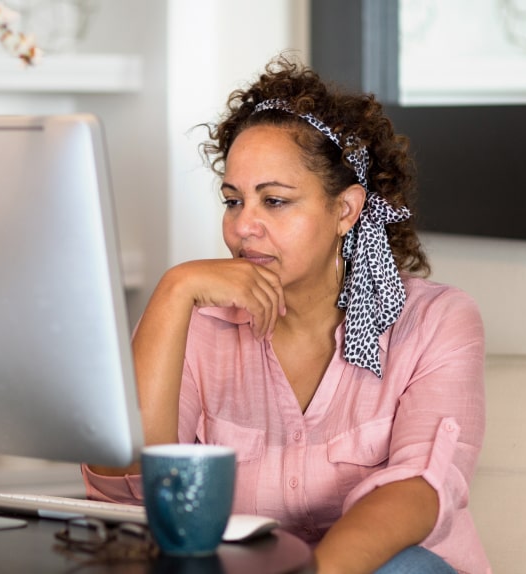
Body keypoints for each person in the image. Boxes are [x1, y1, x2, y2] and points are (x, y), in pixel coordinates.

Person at [85, 55, 489, 574]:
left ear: (345, 210)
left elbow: (418, 490)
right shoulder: (191, 321)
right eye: (233, 201)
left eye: (274, 201)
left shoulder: (435, 321)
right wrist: (173, 288)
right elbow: (127, 486)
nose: (242, 227)